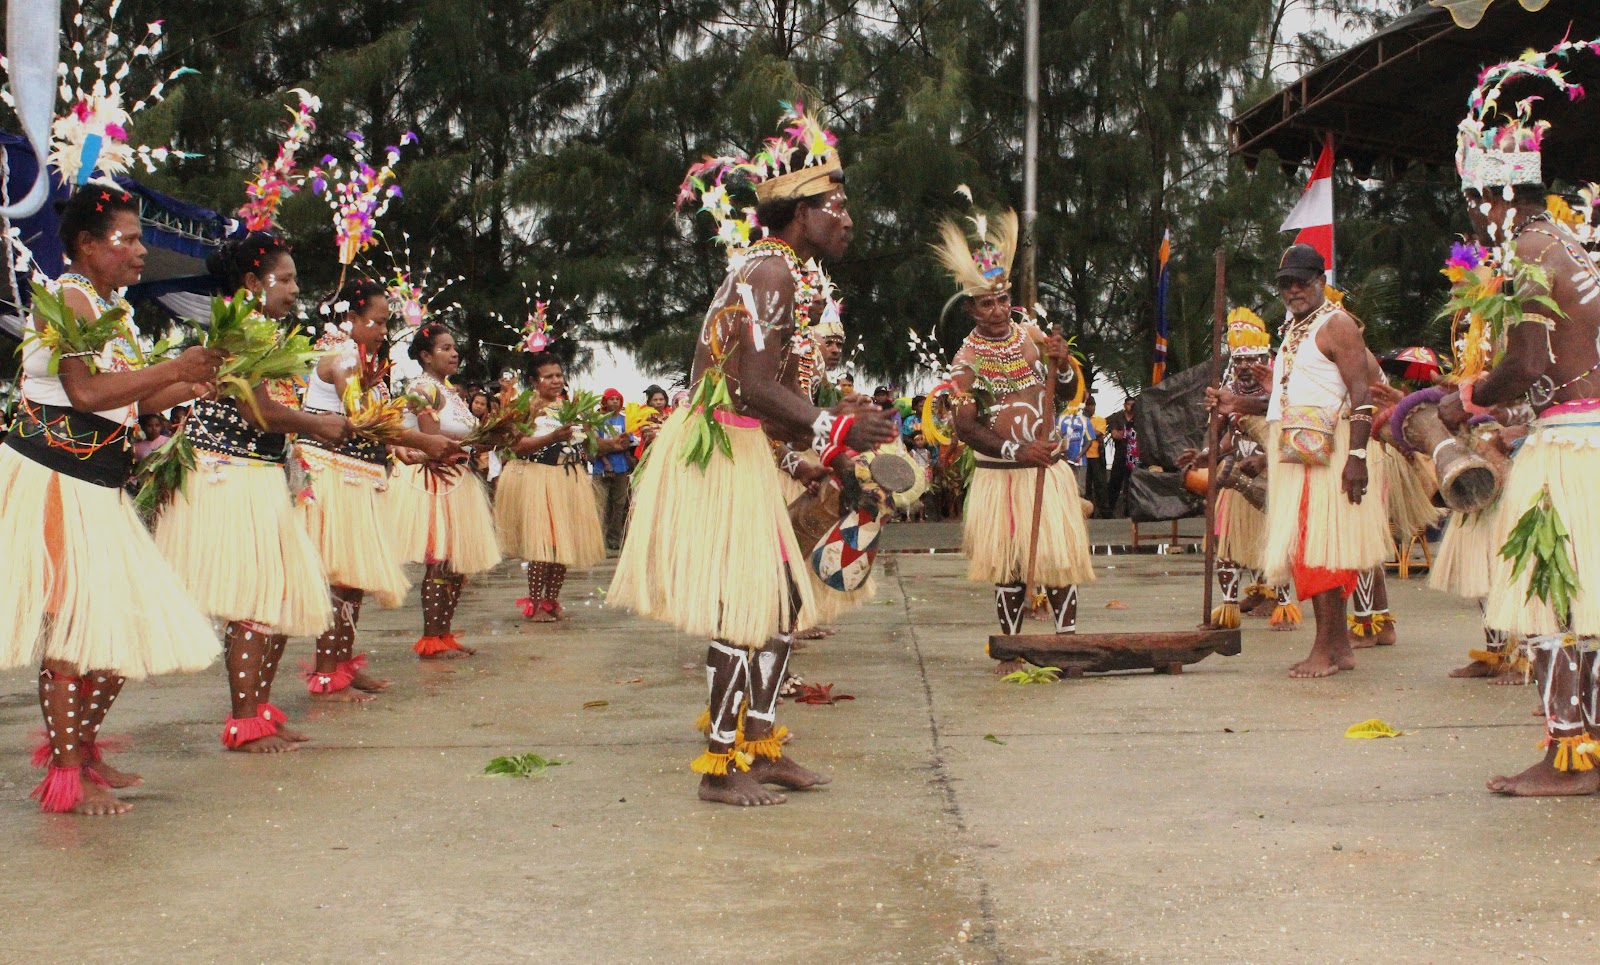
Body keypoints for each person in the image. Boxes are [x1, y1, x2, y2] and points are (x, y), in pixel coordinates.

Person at [610, 106, 895, 806]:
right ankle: (718, 765)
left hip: (752, 448)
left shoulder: (781, 271)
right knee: (748, 605)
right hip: (725, 449)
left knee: (782, 603)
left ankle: (759, 746)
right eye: (836, 206)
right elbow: (752, 386)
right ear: (798, 214)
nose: (848, 220)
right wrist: (834, 427)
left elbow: (778, 391)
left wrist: (837, 433)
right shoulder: (771, 274)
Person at [0, 186, 224, 813]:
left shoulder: (111, 309)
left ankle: (84, 751)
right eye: (125, 239)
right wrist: (172, 366)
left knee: (120, 628)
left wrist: (185, 383)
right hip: (55, 478)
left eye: (137, 237)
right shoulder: (67, 296)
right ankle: (68, 775)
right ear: (86, 246)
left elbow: (130, 401)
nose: (139, 250)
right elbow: (86, 394)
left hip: (98, 484)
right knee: (74, 629)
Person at [1433, 40, 1600, 794]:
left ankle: (1568, 754)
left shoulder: (1530, 252)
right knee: (1585, 598)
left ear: (1492, 196)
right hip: (1584, 434)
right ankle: (1585, 748)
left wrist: (1471, 399)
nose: (1474, 214)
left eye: (1474, 201)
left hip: (1568, 451)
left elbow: (1530, 364)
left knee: (1552, 595)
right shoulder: (1574, 244)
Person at [155, 232, 351, 752]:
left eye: (294, 279)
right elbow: (258, 411)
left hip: (258, 472)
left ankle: (259, 710)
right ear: (251, 283)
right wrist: (317, 424)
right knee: (254, 599)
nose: (294, 289)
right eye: (284, 279)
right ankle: (244, 722)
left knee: (277, 596)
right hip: (231, 474)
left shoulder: (264, 330)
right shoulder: (244, 328)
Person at [1216, 244, 1390, 679]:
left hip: (1332, 456)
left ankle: (1322, 650)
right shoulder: (1294, 329)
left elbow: (1363, 396)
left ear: (1321, 282)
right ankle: (1339, 647)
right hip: (1298, 453)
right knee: (1313, 549)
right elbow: (1283, 403)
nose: (1293, 290)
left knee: (1321, 551)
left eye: (1301, 282)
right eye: (1285, 284)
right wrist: (1236, 401)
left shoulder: (1338, 324)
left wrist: (1357, 458)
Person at [937, 208, 1094, 656]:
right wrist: (1016, 450)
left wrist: (1061, 365)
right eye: (987, 303)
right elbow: (965, 428)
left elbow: (1061, 394)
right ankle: (1012, 647)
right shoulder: (965, 360)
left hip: (1047, 467)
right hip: (1001, 476)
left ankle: (1069, 645)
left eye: (1003, 300)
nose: (998, 310)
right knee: (1008, 565)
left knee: (1059, 559)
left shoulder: (1030, 336)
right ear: (970, 307)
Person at [297, 280, 459, 701]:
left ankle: (343, 666)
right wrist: (423, 442)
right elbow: (361, 415)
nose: (385, 331)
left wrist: (399, 448)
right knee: (339, 577)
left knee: (354, 579)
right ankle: (328, 673)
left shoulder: (363, 359)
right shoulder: (342, 356)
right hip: (333, 476)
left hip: (358, 473)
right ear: (351, 317)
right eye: (380, 321)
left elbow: (372, 425)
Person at [388, 322, 502, 659]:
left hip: (457, 478)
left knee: (455, 563)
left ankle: (444, 634)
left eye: (455, 348)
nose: (454, 354)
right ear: (425, 355)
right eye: (445, 348)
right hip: (435, 479)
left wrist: (496, 434)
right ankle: (432, 639)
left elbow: (463, 439)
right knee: (440, 560)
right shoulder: (424, 390)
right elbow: (434, 441)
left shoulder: (449, 390)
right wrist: (480, 440)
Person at [1180, 308, 1300, 629]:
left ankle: (1283, 605)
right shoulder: (1228, 391)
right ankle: (1231, 607)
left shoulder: (1279, 392)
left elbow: (1285, 430)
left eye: (1253, 360)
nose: (1247, 367)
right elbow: (1221, 437)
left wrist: (1263, 459)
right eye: (1241, 361)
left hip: (1273, 477)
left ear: (1266, 357)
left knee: (1274, 543)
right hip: (1237, 480)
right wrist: (1204, 455)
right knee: (1229, 546)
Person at [496, 353, 607, 621]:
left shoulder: (569, 407)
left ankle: (551, 602)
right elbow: (516, 446)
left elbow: (588, 443)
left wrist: (614, 445)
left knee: (562, 546)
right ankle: (534, 605)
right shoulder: (525, 406)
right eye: (549, 376)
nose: (556, 380)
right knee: (543, 544)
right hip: (540, 479)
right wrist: (551, 437)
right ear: (534, 381)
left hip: (568, 479)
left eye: (559, 375)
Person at [590, 388, 635, 551]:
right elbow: (594, 444)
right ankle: (597, 538)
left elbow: (626, 443)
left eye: (617, 399)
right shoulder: (598, 421)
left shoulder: (625, 420)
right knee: (600, 503)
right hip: (601, 466)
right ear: (605, 401)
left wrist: (608, 446)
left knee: (619, 503)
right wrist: (606, 455)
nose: (614, 402)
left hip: (621, 467)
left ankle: (614, 538)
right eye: (611, 399)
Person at [1105, 396, 1139, 517]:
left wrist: (1124, 434)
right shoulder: (1117, 417)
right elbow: (1114, 434)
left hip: (1134, 455)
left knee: (1131, 482)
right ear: (1125, 405)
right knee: (1115, 481)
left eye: (1132, 404)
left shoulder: (1138, 417)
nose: (1130, 407)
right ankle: (1109, 510)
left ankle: (1129, 511)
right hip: (1120, 453)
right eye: (1129, 404)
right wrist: (1129, 434)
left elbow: (1140, 435)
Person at [1081, 396, 1108, 515]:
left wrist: (1084, 431)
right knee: (1086, 485)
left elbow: (1099, 433)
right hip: (1083, 456)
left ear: (1094, 406)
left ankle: (1104, 511)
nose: (1089, 408)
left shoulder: (1100, 419)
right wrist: (1091, 433)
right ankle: (1088, 512)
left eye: (1091, 406)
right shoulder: (1080, 418)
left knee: (1100, 484)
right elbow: (1093, 434)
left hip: (1096, 455)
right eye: (1087, 405)